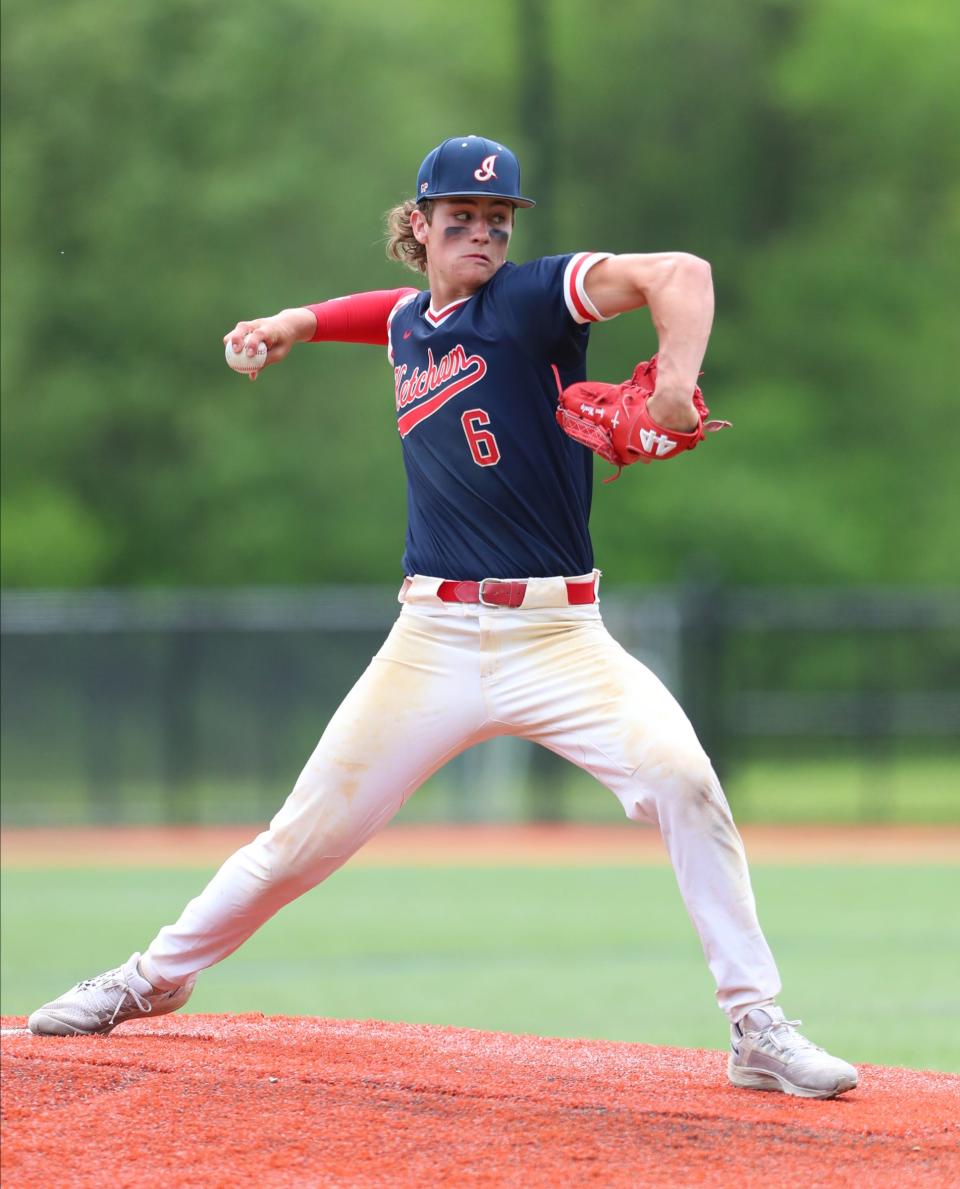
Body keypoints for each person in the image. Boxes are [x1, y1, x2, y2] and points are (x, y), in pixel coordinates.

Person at [29, 135, 857, 1100]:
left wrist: (675, 374)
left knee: (684, 782)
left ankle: (756, 1022)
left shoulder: (531, 298)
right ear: (417, 226)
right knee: (300, 840)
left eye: (497, 219)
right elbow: (386, 314)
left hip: (559, 637)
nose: (481, 231)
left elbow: (682, 271)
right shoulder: (414, 323)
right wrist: (295, 320)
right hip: (429, 642)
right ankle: (150, 978)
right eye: (458, 217)